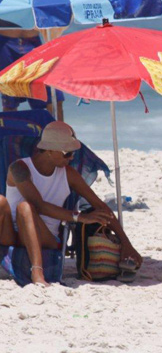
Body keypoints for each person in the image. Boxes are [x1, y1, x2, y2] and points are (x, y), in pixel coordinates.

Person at [0, 121, 142, 286]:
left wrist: (126, 243)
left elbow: (100, 206)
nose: (72, 157)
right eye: (67, 153)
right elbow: (39, 205)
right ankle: (36, 272)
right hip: (11, 233)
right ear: (50, 151)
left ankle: (37, 272)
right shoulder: (19, 168)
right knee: (5, 202)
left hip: (46, 236)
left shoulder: (68, 174)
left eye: (74, 152)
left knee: (24, 208)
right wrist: (80, 217)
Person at [0, 29, 65, 121]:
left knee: (54, 97)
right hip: (5, 42)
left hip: (32, 40)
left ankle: (59, 134)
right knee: (10, 101)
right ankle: (11, 135)